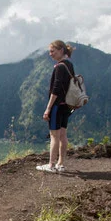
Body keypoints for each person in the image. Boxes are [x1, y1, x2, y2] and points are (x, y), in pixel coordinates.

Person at [37, 40, 76, 173]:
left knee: (54, 136)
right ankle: (61, 164)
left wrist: (48, 108)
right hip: (67, 106)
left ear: (61, 50)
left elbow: (56, 89)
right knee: (63, 135)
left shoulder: (59, 67)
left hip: (57, 106)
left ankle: (51, 165)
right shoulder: (69, 65)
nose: (50, 54)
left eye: (53, 51)